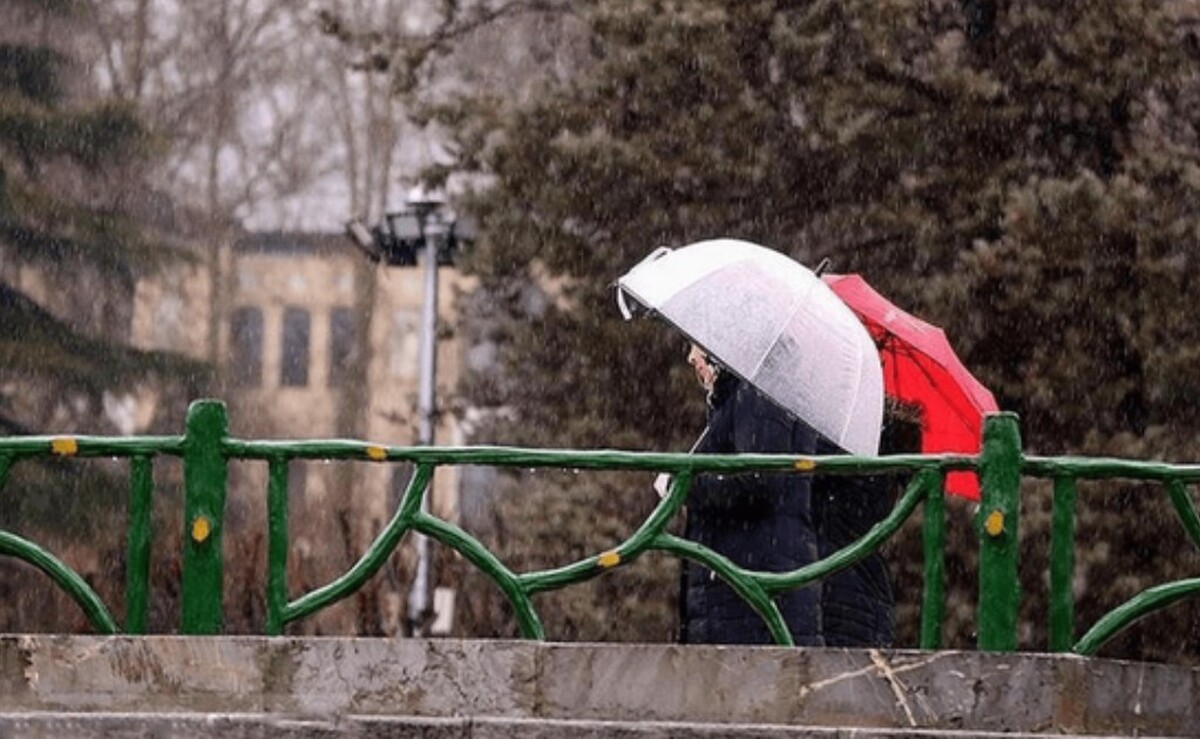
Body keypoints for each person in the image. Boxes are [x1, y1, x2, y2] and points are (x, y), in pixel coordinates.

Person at [678, 344, 823, 645]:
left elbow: (759, 481)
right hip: (750, 580)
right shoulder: (750, 392)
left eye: (697, 346)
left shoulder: (759, 392)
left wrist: (686, 487)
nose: (691, 357)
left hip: (749, 585)